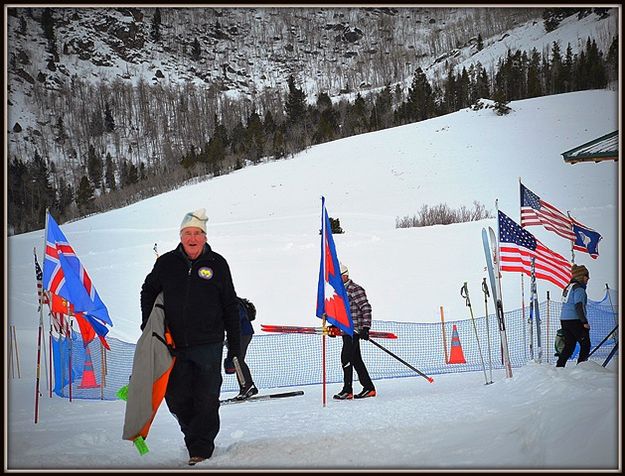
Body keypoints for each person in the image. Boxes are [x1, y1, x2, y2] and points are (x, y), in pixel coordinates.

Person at [140, 208, 241, 466]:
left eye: (197, 233)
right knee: (176, 397)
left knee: (207, 397)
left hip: (209, 343)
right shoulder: (166, 263)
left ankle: (201, 448)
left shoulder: (218, 264)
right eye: (188, 233)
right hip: (174, 345)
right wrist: (149, 326)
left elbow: (230, 305)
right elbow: (148, 290)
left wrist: (235, 349)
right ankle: (193, 436)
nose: (192, 238)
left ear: (205, 237)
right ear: (181, 236)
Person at [330, 263, 376, 400]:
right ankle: (368, 388)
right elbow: (339, 312)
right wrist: (333, 326)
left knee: (346, 357)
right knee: (355, 359)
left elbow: (366, 308)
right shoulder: (338, 292)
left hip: (354, 330)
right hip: (345, 331)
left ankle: (347, 390)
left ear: (345, 276)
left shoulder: (355, 289)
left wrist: (366, 328)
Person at [556, 264, 591, 368]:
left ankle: (559, 367)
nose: (588, 278)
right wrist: (584, 322)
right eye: (586, 276)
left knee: (569, 345)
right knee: (585, 344)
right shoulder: (579, 289)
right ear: (581, 276)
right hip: (575, 320)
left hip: (564, 320)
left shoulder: (568, 287)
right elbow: (578, 306)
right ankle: (581, 368)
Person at [224, 297, 258, 399]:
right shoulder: (229, 302)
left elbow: (236, 319)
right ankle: (245, 387)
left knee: (237, 359)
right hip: (241, 333)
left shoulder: (232, 302)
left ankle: (248, 386)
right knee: (237, 360)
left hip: (242, 333)